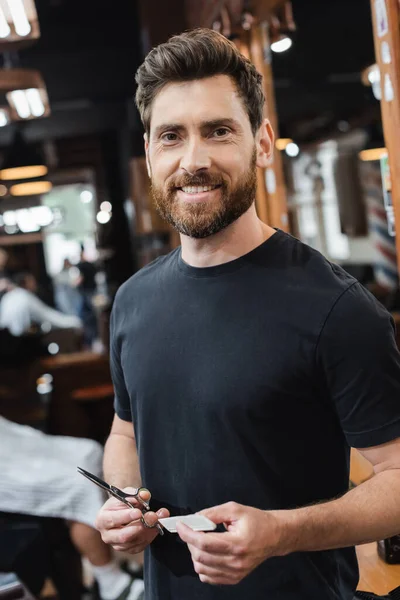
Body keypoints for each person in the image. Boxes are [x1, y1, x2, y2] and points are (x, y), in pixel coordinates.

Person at [94, 29, 400, 600]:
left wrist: (281, 532)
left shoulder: (337, 309)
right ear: (150, 153)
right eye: (171, 137)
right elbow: (125, 431)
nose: (193, 160)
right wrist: (124, 497)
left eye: (218, 131)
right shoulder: (133, 301)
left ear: (261, 142)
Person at [0, 416, 144, 600]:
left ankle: (116, 555)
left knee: (90, 450)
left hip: (11, 442)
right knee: (79, 486)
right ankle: (111, 582)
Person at [0, 272, 82, 336]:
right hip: (17, 341)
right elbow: (48, 316)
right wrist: (75, 322)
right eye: (32, 281)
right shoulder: (25, 297)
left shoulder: (7, 296)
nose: (35, 283)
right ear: (25, 283)